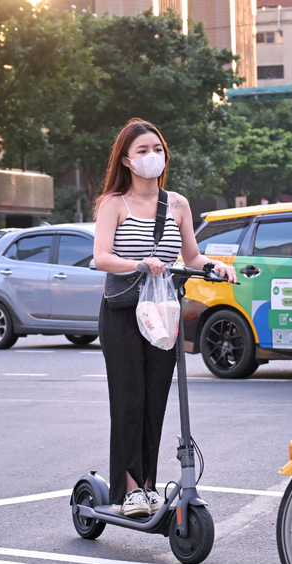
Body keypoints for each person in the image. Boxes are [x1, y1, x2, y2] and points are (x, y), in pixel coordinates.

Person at [93, 118, 236, 518]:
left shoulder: (177, 203)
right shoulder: (113, 204)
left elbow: (191, 256)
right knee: (129, 399)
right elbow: (100, 256)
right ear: (126, 159)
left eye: (157, 148)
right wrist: (141, 263)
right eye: (142, 151)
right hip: (123, 311)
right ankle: (130, 488)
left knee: (155, 399)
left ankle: (149, 486)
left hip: (162, 313)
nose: (151, 156)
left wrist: (217, 267)